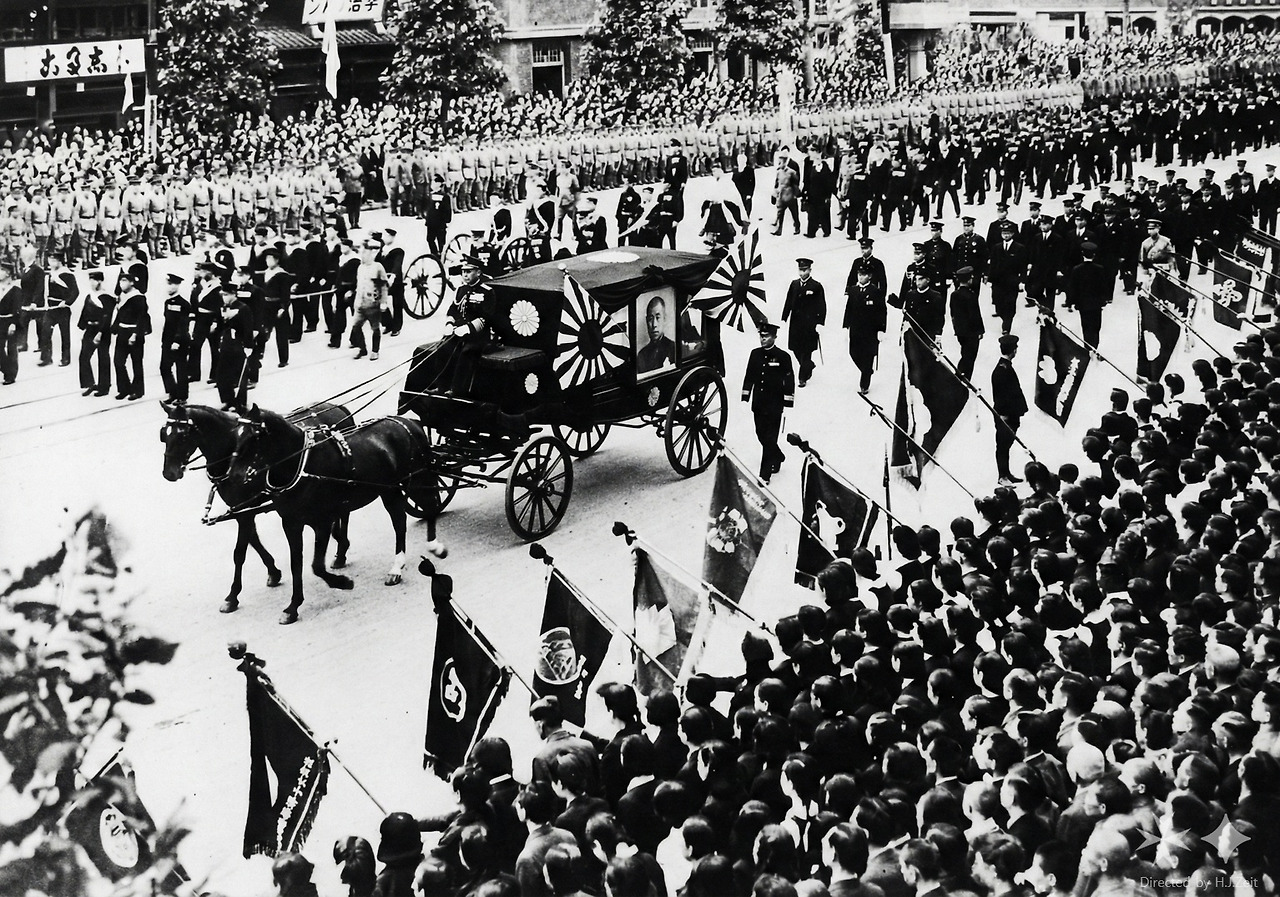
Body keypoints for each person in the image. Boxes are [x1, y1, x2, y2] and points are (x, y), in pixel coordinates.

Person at [741, 321, 794, 483]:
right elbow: (749, 375)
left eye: (766, 336)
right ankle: (778, 456)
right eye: (761, 336)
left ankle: (765, 475)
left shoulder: (783, 357)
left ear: (774, 337)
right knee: (760, 434)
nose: (762, 339)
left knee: (770, 438)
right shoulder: (755, 354)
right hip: (758, 403)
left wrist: (788, 400)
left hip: (774, 404)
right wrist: (745, 394)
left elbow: (789, 379)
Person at [781, 258, 826, 387]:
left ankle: (802, 378)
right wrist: (784, 317)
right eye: (800, 270)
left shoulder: (816, 286)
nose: (802, 273)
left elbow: (822, 306)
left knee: (806, 350)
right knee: (795, 348)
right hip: (795, 323)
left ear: (810, 270)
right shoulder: (794, 284)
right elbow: (788, 301)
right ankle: (809, 366)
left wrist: (820, 323)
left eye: (805, 270)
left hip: (809, 324)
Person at [991, 334, 1027, 486]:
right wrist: (1003, 415)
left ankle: (1006, 473)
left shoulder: (1004, 367)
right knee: (1003, 446)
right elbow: (1000, 396)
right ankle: (1002, 476)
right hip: (1005, 415)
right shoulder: (1002, 370)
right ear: (1014, 350)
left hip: (1010, 413)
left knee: (1006, 445)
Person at [843, 267, 886, 394]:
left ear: (870, 276)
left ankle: (864, 384)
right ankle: (867, 370)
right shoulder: (853, 290)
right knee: (853, 352)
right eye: (859, 274)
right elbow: (848, 309)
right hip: (855, 329)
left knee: (868, 355)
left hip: (870, 331)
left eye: (864, 275)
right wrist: (846, 326)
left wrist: (881, 329)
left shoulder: (876, 291)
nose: (861, 277)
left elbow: (882, 311)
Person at [1063, 242, 1112, 351]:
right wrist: (1103, 300)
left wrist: (1070, 302)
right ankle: (1094, 347)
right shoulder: (1100, 269)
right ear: (1094, 255)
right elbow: (1104, 286)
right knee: (1096, 327)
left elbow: (1072, 288)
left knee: (1086, 327)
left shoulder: (1076, 269)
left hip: (1083, 304)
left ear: (1082, 254)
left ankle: (1088, 348)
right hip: (1096, 304)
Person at [111, 269, 150, 401]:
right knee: (118, 361)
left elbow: (142, 317)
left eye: (124, 281)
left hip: (134, 332)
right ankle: (124, 388)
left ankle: (138, 391)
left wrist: (135, 334)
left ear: (132, 282)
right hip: (122, 331)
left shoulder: (139, 297)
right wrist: (114, 328)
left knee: (136, 363)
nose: (121, 284)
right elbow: (119, 314)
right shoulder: (122, 296)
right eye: (120, 281)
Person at [215, 281, 254, 411]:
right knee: (221, 374)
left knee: (239, 375)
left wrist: (248, 345)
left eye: (226, 295)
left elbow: (248, 328)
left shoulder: (243, 308)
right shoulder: (223, 308)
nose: (224, 298)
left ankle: (240, 403)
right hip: (226, 344)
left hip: (238, 345)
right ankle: (227, 400)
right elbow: (221, 326)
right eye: (222, 295)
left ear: (233, 294)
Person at [350, 239, 389, 361]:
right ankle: (362, 349)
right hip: (360, 304)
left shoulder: (378, 267)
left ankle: (375, 351)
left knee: (375, 328)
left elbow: (384, 286)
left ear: (370, 254)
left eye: (364, 253)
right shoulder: (360, 268)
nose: (362, 256)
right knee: (356, 327)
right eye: (361, 253)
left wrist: (383, 302)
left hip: (372, 304)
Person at [77, 271, 115, 396]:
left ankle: (104, 386)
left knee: (103, 357)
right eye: (90, 280)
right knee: (84, 356)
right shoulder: (89, 296)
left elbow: (107, 317)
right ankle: (89, 383)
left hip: (102, 330)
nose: (91, 283)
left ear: (100, 281)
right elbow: (84, 312)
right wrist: (82, 327)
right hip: (90, 328)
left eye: (94, 280)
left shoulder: (107, 297)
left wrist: (100, 333)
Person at [158, 273, 192, 402]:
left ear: (177, 286)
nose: (169, 287)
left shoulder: (184, 304)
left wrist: (177, 341)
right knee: (164, 367)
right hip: (168, 340)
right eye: (168, 284)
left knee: (181, 369)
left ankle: (182, 397)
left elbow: (183, 324)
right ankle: (172, 393)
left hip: (180, 341)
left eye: (172, 284)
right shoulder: (167, 302)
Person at [949, 266, 984, 381]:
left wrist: (957, 329)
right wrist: (980, 331)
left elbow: (953, 313)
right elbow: (975, 315)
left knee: (965, 354)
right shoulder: (971, 295)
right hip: (971, 332)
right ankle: (963, 379)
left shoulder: (954, 295)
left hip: (960, 331)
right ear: (968, 279)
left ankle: (961, 377)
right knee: (969, 357)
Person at [45, 253, 77, 368]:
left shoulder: (67, 274)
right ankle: (47, 357)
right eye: (49, 260)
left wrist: (67, 302)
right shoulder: (50, 274)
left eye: (53, 261)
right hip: (51, 307)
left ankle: (65, 358)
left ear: (60, 261)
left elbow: (75, 292)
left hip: (63, 308)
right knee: (45, 331)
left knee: (64, 334)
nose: (51, 263)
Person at [637, 294, 676, 374]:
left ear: (664, 319)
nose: (654, 324)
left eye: (658, 318)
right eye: (650, 319)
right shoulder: (642, 355)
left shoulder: (673, 348)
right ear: (646, 321)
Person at [0, 266, 21, 385]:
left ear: (8, 273)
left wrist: (13, 323)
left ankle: (11, 375)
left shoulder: (15, 289)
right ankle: (6, 369)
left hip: (10, 321)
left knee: (11, 348)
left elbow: (17, 309)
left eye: (1, 271)